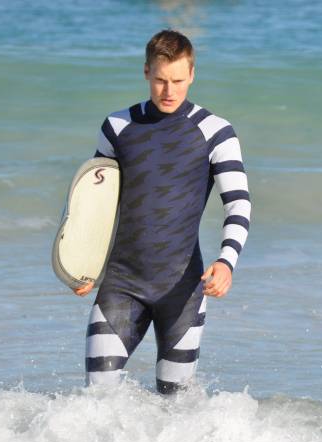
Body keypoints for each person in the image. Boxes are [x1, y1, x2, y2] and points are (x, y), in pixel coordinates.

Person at [73, 29, 251, 392]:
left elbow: (238, 202)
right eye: (160, 80)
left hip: (182, 290)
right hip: (121, 284)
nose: (169, 91)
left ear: (192, 75)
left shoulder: (216, 132)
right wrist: (83, 263)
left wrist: (226, 262)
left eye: (178, 81)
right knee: (97, 397)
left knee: (176, 406)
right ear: (145, 73)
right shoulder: (117, 127)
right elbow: (95, 204)